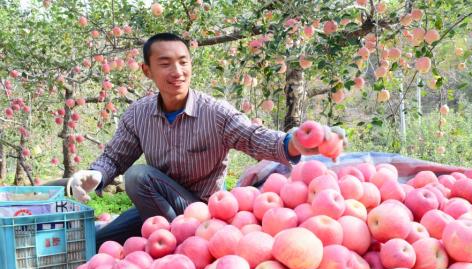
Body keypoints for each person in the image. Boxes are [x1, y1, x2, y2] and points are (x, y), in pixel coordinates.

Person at [67, 33, 345, 248]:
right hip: (159, 206)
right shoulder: (138, 114)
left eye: (183, 62)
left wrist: (294, 142)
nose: (177, 71)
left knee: (138, 176)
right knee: (96, 240)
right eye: (165, 64)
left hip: (204, 213)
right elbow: (115, 157)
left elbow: (253, 137)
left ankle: (186, 248)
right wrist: (95, 173)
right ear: (147, 71)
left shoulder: (215, 112)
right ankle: (172, 239)